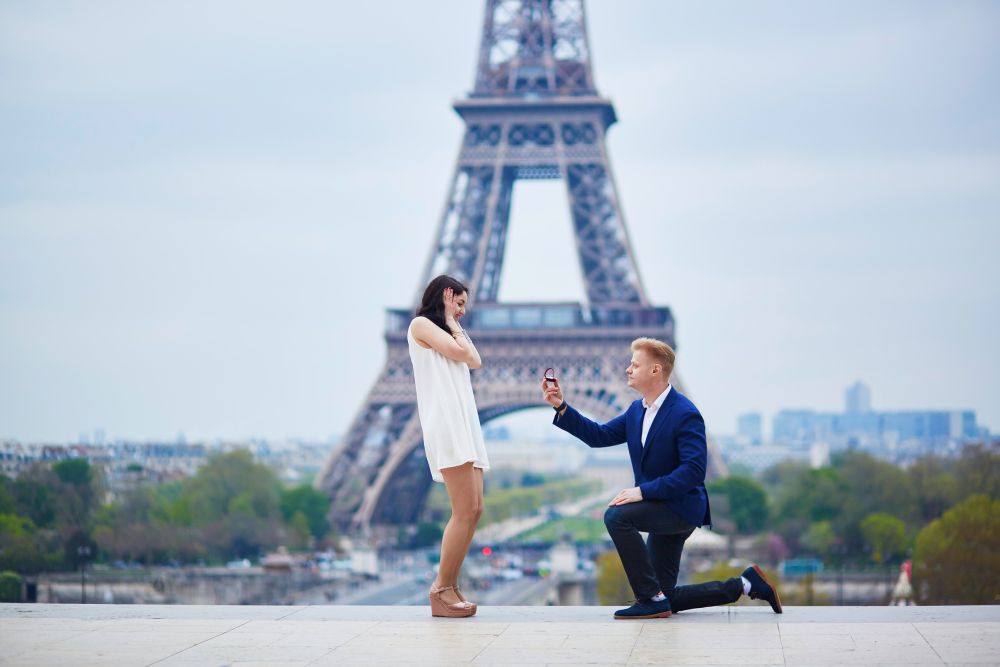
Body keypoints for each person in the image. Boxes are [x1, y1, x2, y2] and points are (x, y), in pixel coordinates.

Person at [540, 337, 782, 619]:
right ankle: (746, 583)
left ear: (655, 370)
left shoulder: (684, 413)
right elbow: (599, 436)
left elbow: (693, 471)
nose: (628, 370)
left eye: (634, 364)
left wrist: (641, 492)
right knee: (665, 597)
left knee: (616, 516)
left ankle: (649, 597)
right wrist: (561, 407)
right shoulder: (636, 411)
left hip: (681, 508)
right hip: (660, 504)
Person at [408, 274, 490, 618]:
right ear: (445, 295)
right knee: (462, 510)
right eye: (459, 302)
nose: (463, 311)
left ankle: (452, 585)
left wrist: (453, 319)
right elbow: (460, 352)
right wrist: (451, 318)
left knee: (475, 509)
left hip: (464, 422)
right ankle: (441, 589)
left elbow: (474, 361)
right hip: (446, 423)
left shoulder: (450, 328)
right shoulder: (421, 325)